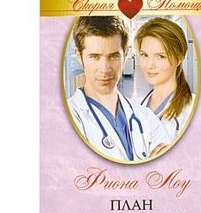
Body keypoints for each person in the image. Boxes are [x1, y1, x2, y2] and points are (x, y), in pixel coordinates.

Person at [67, 15, 171, 162]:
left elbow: (169, 164)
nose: (105, 68)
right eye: (95, 57)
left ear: (126, 54)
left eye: (113, 56)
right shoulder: (68, 118)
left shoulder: (146, 117)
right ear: (79, 56)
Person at [133, 17, 195, 140]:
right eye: (144, 55)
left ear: (179, 59)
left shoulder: (191, 109)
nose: (149, 65)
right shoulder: (140, 106)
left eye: (161, 56)